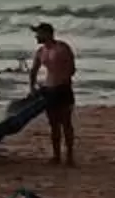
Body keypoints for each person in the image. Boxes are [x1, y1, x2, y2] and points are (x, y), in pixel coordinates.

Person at [27, 21, 79, 166]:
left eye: (38, 33)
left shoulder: (62, 48)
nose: (36, 36)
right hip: (49, 90)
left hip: (63, 89)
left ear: (47, 34)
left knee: (66, 123)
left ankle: (69, 156)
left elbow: (72, 69)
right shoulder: (41, 51)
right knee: (53, 124)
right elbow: (33, 71)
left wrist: (62, 80)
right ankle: (56, 156)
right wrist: (32, 87)